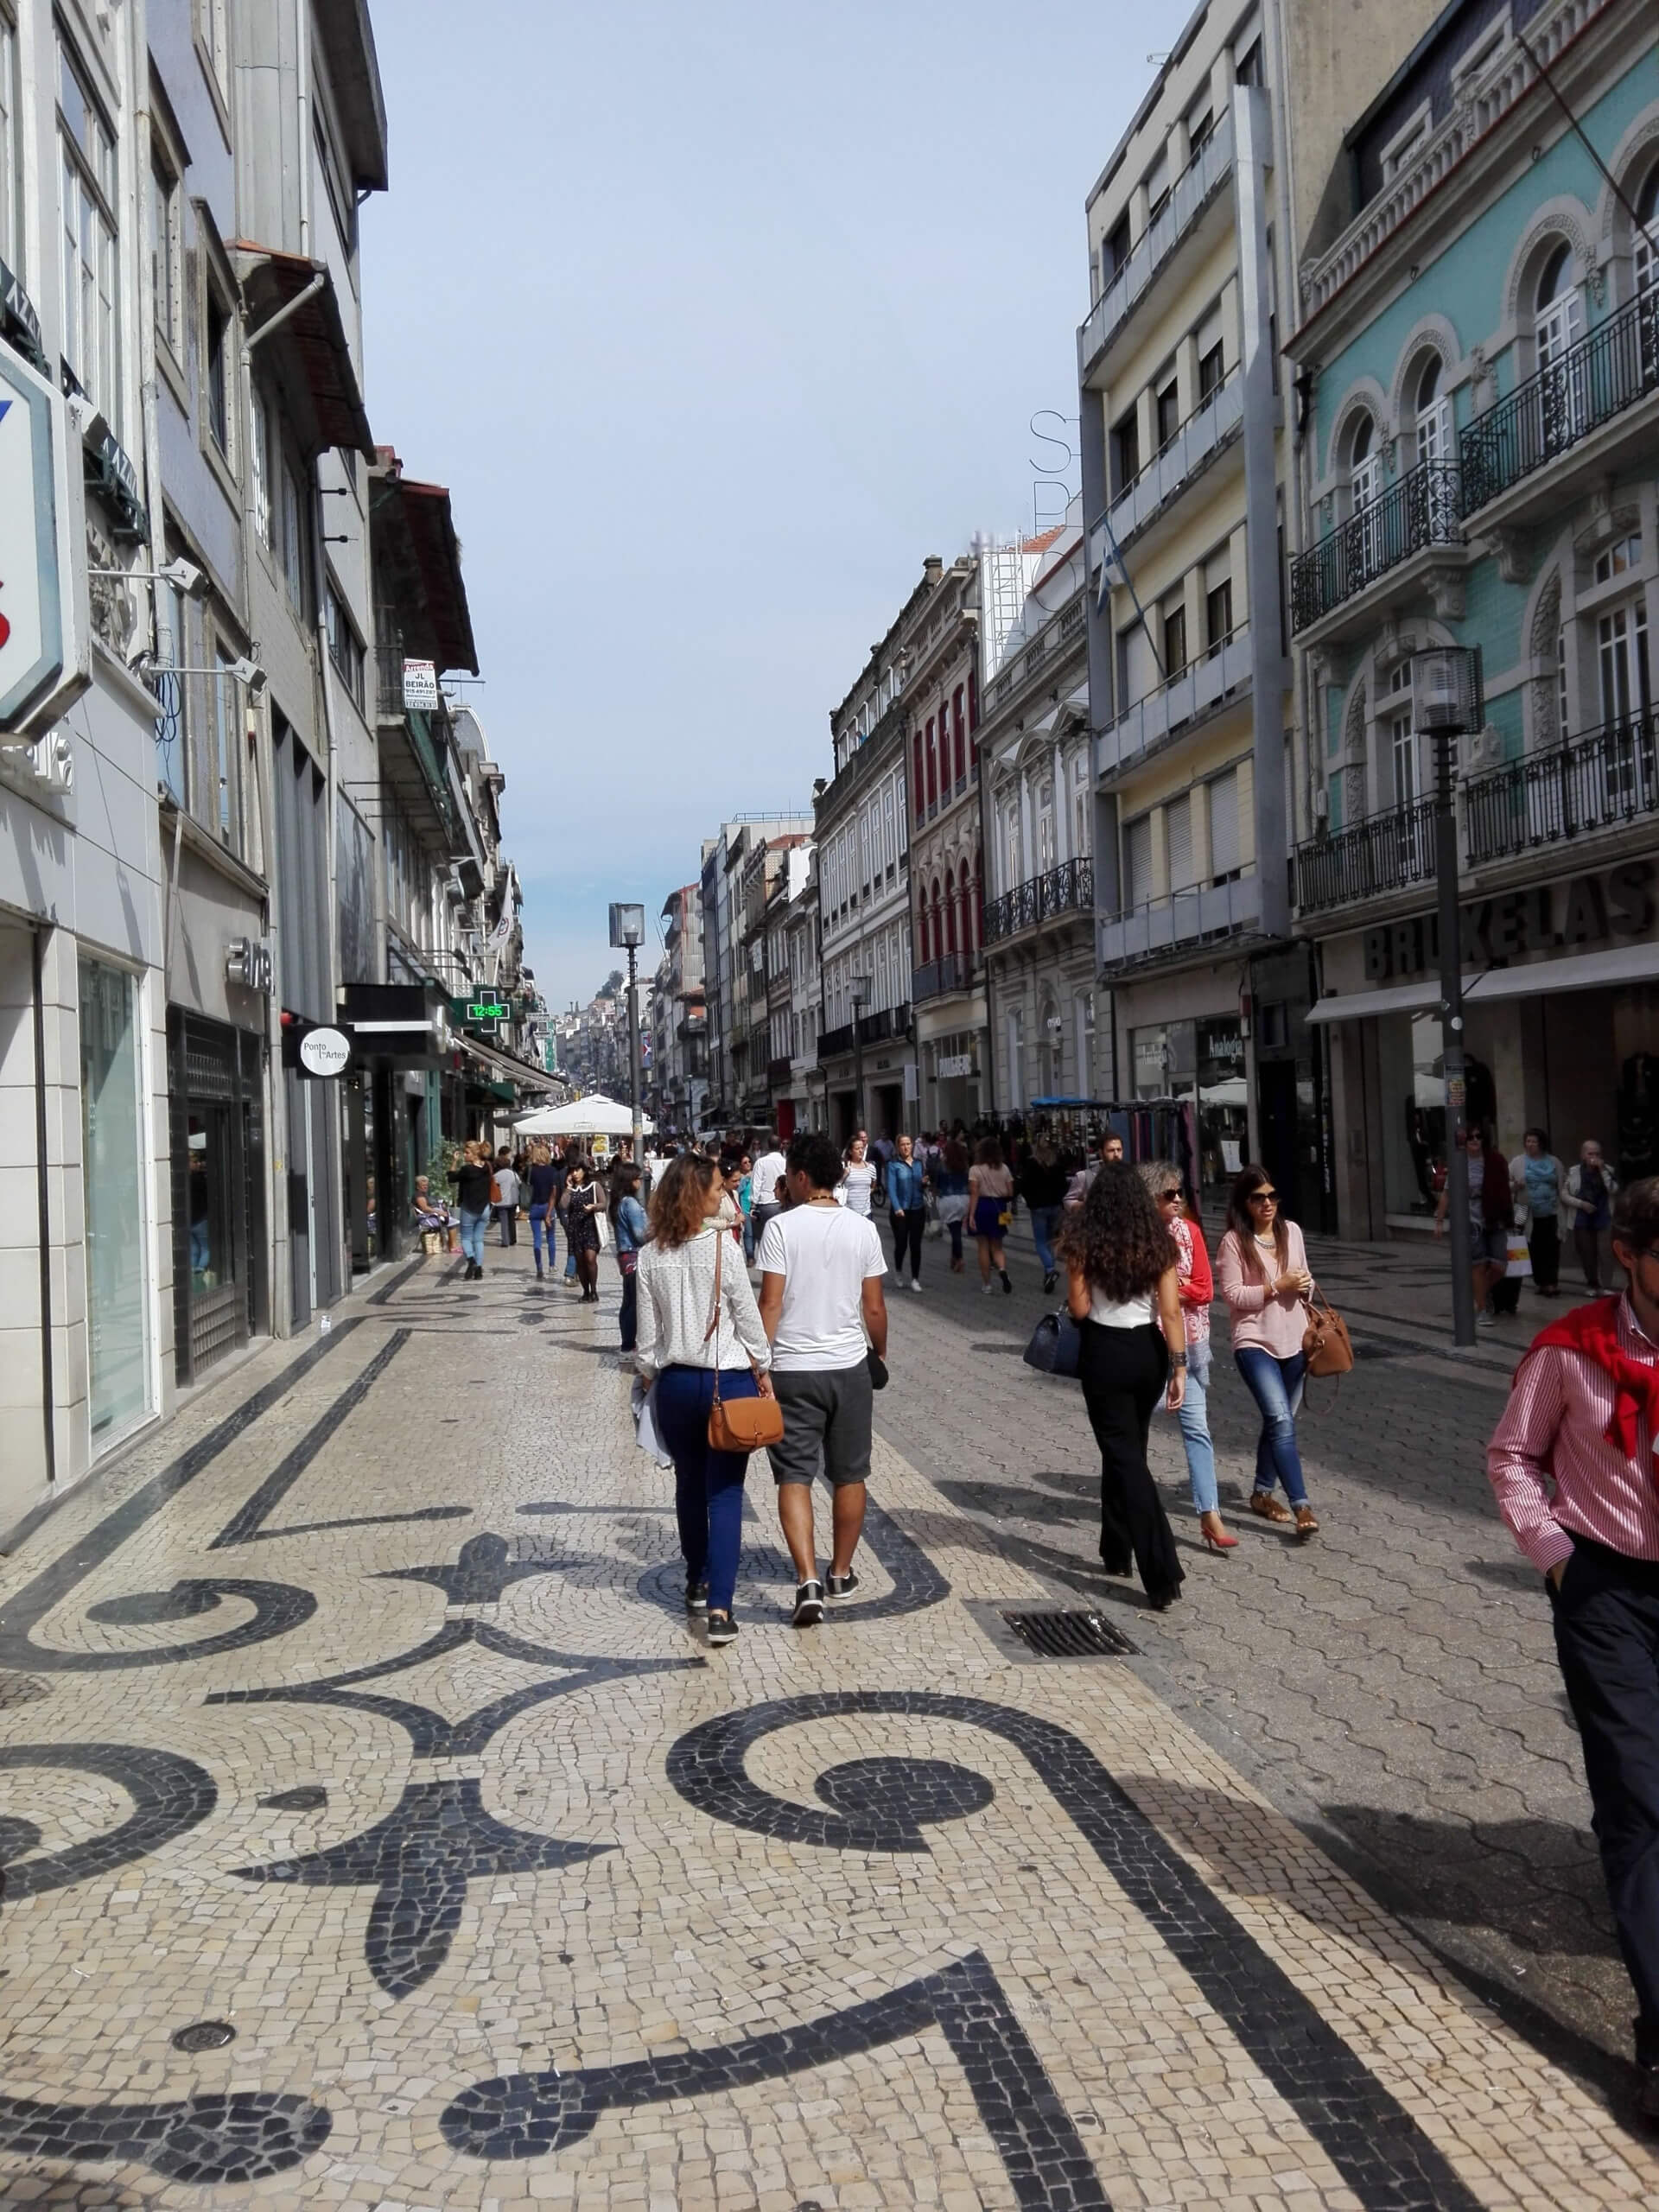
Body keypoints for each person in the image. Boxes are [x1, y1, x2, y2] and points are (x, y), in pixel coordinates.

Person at [1487, 1175, 1659, 2120]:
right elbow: (1511, 1455)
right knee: (1638, 1797)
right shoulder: (1571, 1350)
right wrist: (1555, 1558)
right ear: (1629, 1255)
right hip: (1606, 1592)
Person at [636, 1152, 774, 1647]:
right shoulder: (723, 1248)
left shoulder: (650, 1254)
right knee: (727, 1493)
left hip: (675, 1385)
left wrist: (647, 1379)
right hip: (727, 1381)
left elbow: (648, 1340)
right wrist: (763, 1365)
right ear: (697, 1194)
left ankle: (697, 1579)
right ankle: (720, 1610)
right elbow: (748, 1316)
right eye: (717, 1187)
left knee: (689, 1486)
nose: (724, 1194)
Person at [758, 1130, 888, 1628]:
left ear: (802, 1176)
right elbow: (874, 1307)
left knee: (794, 1474)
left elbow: (770, 1302)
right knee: (849, 1473)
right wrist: (879, 1352)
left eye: (788, 1175)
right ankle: (840, 1571)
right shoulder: (862, 1229)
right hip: (849, 1366)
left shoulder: (781, 1230)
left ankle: (807, 1579)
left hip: (792, 1369)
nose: (784, 1184)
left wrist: (760, 1362)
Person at [1058, 1160, 1187, 1610]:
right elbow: (1171, 1312)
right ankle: (1116, 1549)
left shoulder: (1084, 1242)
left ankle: (1161, 1570)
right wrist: (1180, 1368)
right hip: (1148, 1355)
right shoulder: (1158, 1242)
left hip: (1104, 1353)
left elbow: (1077, 1309)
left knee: (1126, 1460)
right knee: (1128, 1452)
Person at [1216, 1164, 1320, 1538]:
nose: (1267, 1204)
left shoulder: (1292, 1232)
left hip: (1295, 1341)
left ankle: (1262, 1493)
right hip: (1254, 1342)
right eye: (1259, 1198)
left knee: (1279, 1421)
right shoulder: (1233, 1242)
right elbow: (1232, 1296)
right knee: (1279, 1420)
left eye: (1272, 1196)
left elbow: (1305, 1278)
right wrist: (1277, 1286)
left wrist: (1304, 1285)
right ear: (1245, 1203)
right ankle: (1301, 1505)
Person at [1143, 1160, 1233, 1553]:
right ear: (1151, 1199)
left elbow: (1205, 1290)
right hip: (1145, 1346)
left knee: (1197, 1428)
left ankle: (1209, 1513)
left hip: (1188, 1345)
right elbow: (1139, 1291)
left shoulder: (1190, 1232)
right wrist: (1175, 1289)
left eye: (1180, 1192)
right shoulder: (1138, 1238)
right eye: (1169, 1194)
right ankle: (1136, 1509)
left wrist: (1169, 1289)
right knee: (1134, 1434)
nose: (1178, 1199)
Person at [1433, 1124, 1514, 1327]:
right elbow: (1448, 1193)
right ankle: (1481, 1308)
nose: (1475, 1140)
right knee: (1477, 1264)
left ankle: (1478, 1293)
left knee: (1500, 1265)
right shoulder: (1459, 1163)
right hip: (1470, 1219)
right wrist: (1440, 1220)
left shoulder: (1495, 1160)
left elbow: (1505, 1188)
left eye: (1479, 1137)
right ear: (1464, 1141)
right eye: (1471, 1137)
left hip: (1494, 1216)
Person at [1513, 1128, 1567, 1298]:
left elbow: (1563, 1185)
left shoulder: (1554, 1162)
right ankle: (1540, 1281)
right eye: (1528, 1141)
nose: (1530, 1145)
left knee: (1552, 1247)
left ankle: (1551, 1283)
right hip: (1524, 1210)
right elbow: (1506, 1182)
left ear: (1542, 1143)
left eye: (1534, 1141)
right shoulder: (1517, 1162)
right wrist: (1515, 1185)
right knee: (1530, 1247)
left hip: (1551, 1210)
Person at [1566, 1138, 1620, 1292]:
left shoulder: (1608, 1169)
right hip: (1582, 1217)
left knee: (1606, 1253)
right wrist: (1581, 1204)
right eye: (1590, 1153)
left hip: (1603, 1217)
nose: (1594, 1157)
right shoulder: (1574, 1171)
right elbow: (1565, 1195)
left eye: (1597, 1154)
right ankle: (1592, 1283)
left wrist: (1603, 1171)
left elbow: (1613, 1189)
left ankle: (1606, 1285)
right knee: (1587, 1253)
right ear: (1583, 1155)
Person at [1020, 1140, 1069, 1295]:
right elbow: (1064, 1185)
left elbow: (1024, 1185)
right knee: (1050, 1241)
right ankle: (1048, 1275)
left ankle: (1050, 1269)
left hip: (1038, 1207)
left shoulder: (1031, 1164)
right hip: (1055, 1206)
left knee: (1040, 1242)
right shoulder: (1057, 1165)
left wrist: (1030, 1201)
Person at [611, 1160, 649, 1352]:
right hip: (635, 1256)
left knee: (628, 1302)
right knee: (634, 1303)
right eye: (638, 1178)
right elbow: (640, 1235)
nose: (641, 1182)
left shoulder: (619, 1202)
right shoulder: (631, 1204)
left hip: (625, 1256)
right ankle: (629, 1344)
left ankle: (627, 1343)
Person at [969, 1136, 1014, 1294]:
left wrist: (971, 1215)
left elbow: (974, 1193)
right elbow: (1010, 1192)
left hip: (982, 1206)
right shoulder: (1005, 1169)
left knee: (983, 1246)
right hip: (1000, 1207)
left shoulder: (975, 1169)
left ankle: (987, 1284)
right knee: (998, 1246)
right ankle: (1002, 1269)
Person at [448, 1141, 494, 1281]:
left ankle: (471, 1260)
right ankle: (478, 1270)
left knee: (466, 1238)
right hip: (485, 1208)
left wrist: (454, 1161)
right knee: (479, 1240)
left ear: (474, 1154)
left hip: (469, 1208)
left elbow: (451, 1178)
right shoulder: (487, 1167)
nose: (464, 1155)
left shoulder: (467, 1170)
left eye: (467, 1153)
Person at [886, 1133, 925, 1293]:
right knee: (901, 1244)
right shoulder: (893, 1165)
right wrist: (897, 1207)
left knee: (915, 1245)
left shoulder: (918, 1164)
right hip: (900, 1211)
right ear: (898, 1147)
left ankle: (915, 1278)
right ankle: (899, 1271)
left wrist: (924, 1182)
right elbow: (891, 1188)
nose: (906, 1147)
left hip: (917, 1208)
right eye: (902, 1144)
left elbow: (921, 1185)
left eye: (908, 1144)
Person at [560, 1156, 602, 1302]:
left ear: (584, 1171)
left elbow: (604, 1204)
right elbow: (563, 1205)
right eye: (572, 1171)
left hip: (590, 1226)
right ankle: (585, 1291)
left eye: (577, 1170)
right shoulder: (571, 1189)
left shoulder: (594, 1186)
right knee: (580, 1261)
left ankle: (594, 1290)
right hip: (575, 1228)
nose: (575, 1173)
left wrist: (594, 1207)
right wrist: (568, 1188)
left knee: (590, 1258)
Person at [524, 1141, 560, 1283]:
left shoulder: (531, 1171)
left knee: (537, 1239)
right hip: (548, 1207)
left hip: (534, 1207)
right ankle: (552, 1265)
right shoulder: (552, 1171)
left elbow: (527, 1185)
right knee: (551, 1238)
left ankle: (539, 1267)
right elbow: (554, 1191)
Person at [935, 1130, 970, 1272]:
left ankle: (959, 1258)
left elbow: (937, 1184)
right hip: (963, 1199)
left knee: (954, 1231)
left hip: (948, 1199)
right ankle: (954, 1257)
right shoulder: (964, 1165)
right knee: (957, 1229)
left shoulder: (942, 1165)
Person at [1065, 1128, 1126, 1210]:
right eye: (1111, 1150)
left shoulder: (1129, 1176)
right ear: (1101, 1153)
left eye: (1119, 1150)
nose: (1116, 1154)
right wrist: (1086, 1206)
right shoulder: (1084, 1176)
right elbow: (1068, 1201)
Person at [750, 1135, 787, 1251]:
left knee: (765, 1241)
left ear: (767, 1146)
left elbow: (756, 1184)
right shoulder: (786, 1162)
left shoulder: (761, 1162)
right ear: (781, 1146)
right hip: (783, 1204)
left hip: (765, 1205)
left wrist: (753, 1204)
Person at [837, 1135, 878, 1218]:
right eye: (857, 1149)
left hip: (866, 1213)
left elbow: (873, 1186)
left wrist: (863, 1194)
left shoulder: (871, 1168)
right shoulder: (844, 1166)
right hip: (848, 1213)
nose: (861, 1151)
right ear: (850, 1151)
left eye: (862, 1148)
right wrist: (844, 1176)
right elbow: (836, 1187)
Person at [493, 1149, 520, 1246]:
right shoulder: (513, 1173)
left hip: (502, 1201)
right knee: (511, 1220)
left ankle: (505, 1241)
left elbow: (492, 1186)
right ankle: (513, 1239)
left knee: (504, 1221)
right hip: (513, 1200)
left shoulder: (496, 1176)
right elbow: (519, 1183)